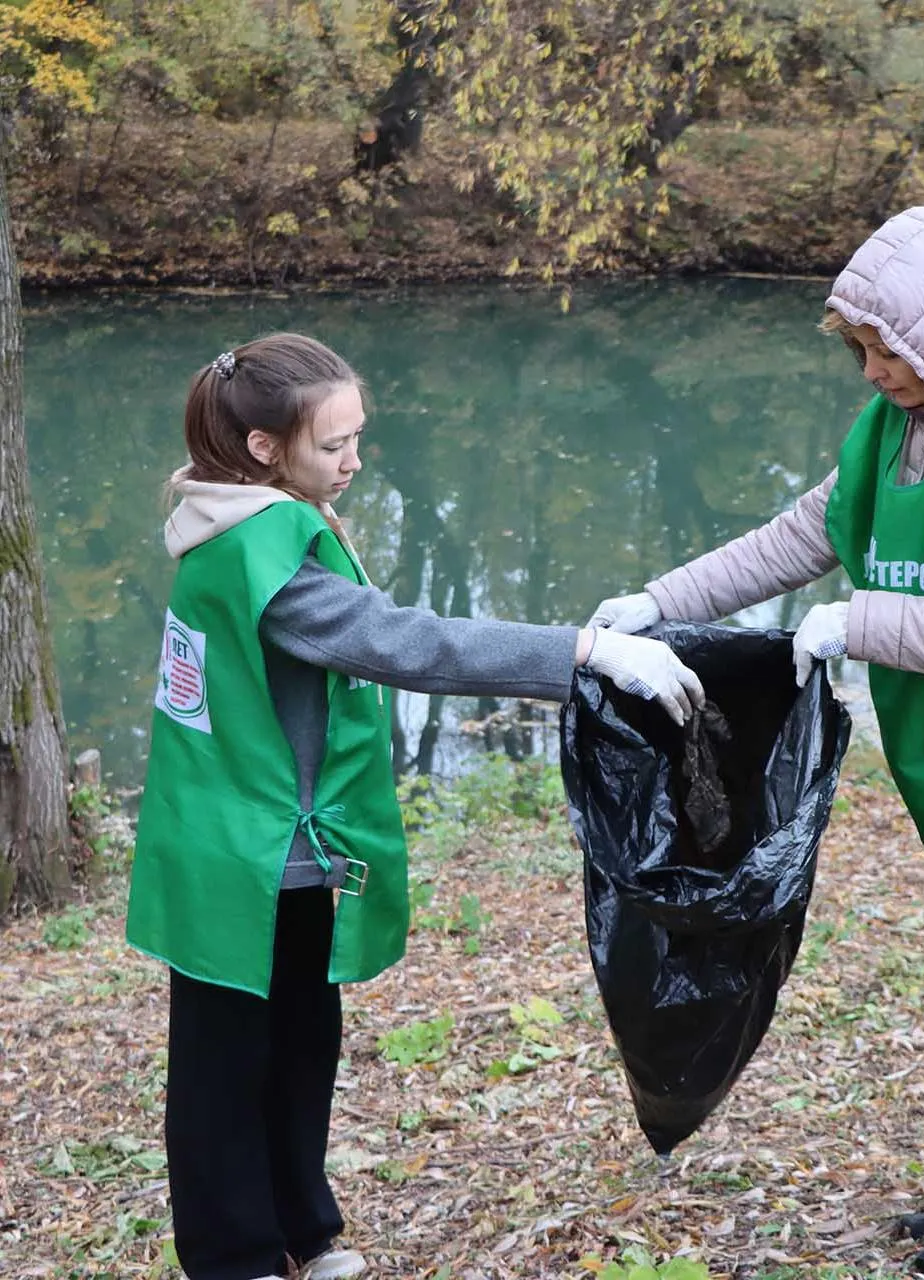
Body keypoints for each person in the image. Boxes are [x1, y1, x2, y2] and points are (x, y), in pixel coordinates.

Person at [589, 202, 924, 1274]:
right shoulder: (895, 433)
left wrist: (862, 621)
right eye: (861, 349)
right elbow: (801, 534)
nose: (871, 372)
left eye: (888, 349)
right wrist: (657, 600)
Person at [126, 332, 705, 1280]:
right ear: (266, 447)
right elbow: (405, 644)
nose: (354, 463)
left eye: (360, 439)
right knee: (226, 1067)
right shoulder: (262, 545)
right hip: (246, 856)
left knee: (302, 1043)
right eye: (333, 446)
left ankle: (304, 1230)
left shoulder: (249, 512)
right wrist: (584, 653)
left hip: (266, 844)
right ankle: (237, 1257)